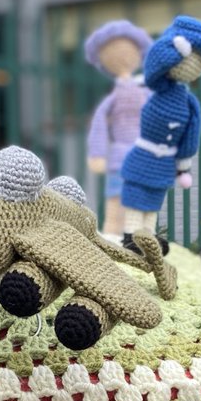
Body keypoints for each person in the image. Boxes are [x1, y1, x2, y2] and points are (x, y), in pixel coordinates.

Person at [120, 15, 201, 251]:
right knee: (136, 195)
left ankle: (147, 238)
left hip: (166, 161)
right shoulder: (159, 85)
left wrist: (183, 166)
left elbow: (190, 136)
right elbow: (153, 67)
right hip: (144, 154)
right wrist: (175, 49)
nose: (197, 66)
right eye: (194, 58)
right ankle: (130, 236)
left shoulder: (189, 103)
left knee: (154, 201)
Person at [84, 20, 152, 238]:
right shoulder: (113, 99)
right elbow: (99, 125)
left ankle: (140, 237)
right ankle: (113, 235)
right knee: (116, 201)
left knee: (143, 200)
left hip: (145, 155)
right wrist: (97, 154)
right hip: (121, 157)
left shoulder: (147, 90)